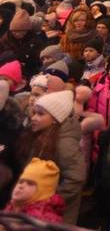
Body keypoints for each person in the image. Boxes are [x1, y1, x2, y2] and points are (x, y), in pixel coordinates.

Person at [19, 90, 84, 224]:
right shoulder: (42, 135)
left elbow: (75, 178)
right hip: (37, 209)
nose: (34, 118)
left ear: (56, 119)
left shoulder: (65, 143)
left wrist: (49, 199)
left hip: (54, 214)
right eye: (34, 113)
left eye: (40, 114)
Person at [2, 158, 64, 223]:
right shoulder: (13, 208)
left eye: (30, 184)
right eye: (20, 181)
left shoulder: (42, 219)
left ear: (43, 192)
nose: (21, 186)